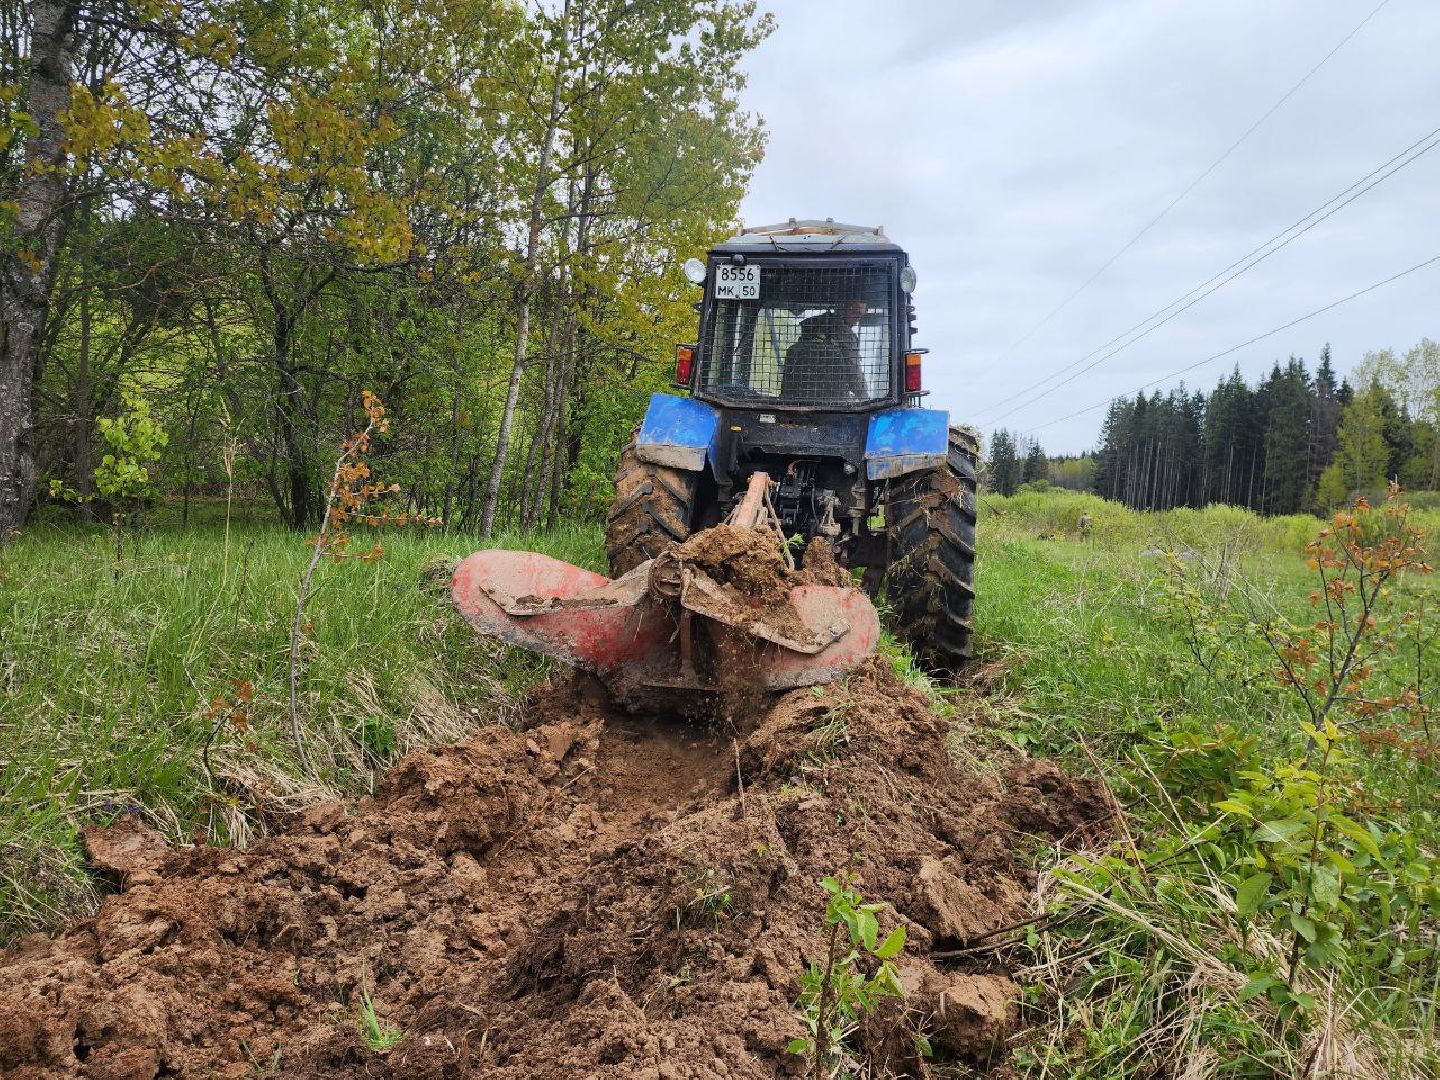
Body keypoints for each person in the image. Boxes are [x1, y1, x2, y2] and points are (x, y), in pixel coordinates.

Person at [781, 297, 869, 403]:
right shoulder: (847, 337)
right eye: (855, 312)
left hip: (794, 401)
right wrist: (866, 400)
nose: (857, 318)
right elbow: (855, 376)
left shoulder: (812, 326)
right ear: (841, 308)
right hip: (833, 404)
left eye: (861, 315)